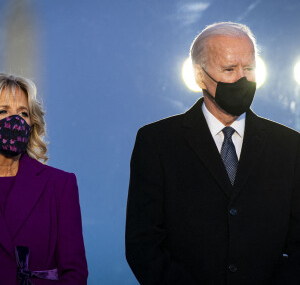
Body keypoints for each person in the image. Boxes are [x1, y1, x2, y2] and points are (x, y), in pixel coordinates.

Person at [125, 22, 300, 285]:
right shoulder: (157, 143)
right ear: (199, 76)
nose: (242, 78)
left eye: (249, 68)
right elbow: (143, 245)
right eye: (229, 69)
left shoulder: (289, 145)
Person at [0, 73, 88, 284]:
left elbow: (74, 273)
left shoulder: (59, 185)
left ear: (32, 124)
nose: (15, 121)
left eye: (23, 113)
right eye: (3, 111)